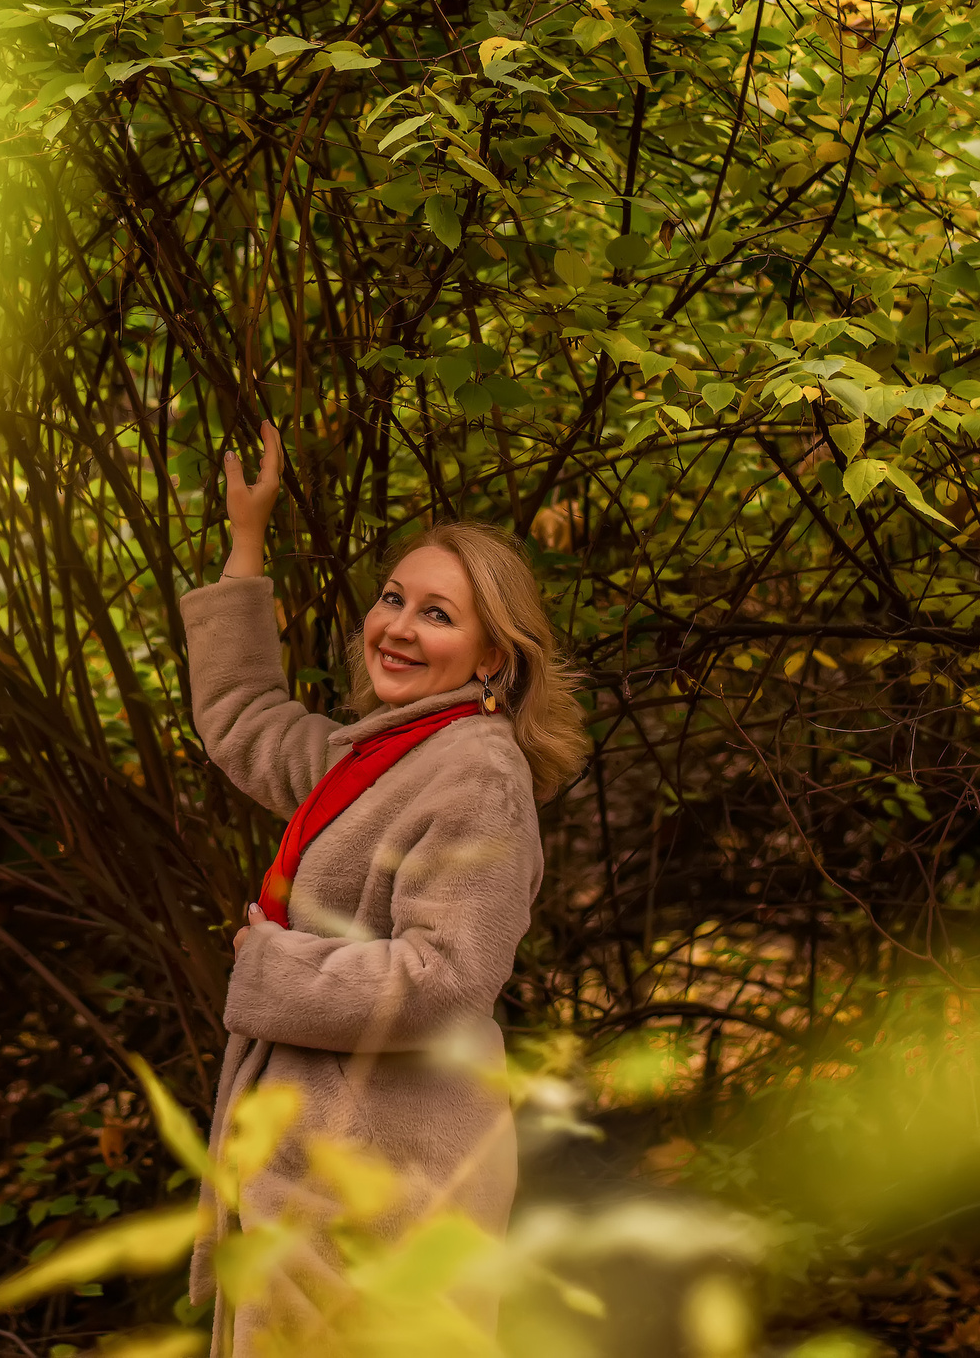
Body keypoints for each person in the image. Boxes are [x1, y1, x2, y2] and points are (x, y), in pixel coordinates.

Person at [178, 422, 592, 1355]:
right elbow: (244, 717)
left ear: (496, 655)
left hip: (389, 1175)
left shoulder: (477, 775)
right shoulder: (381, 752)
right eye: (393, 599)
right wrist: (248, 542)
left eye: (437, 614)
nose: (398, 626)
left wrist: (274, 963)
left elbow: (446, 977)